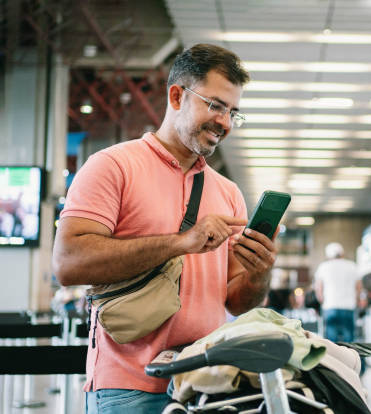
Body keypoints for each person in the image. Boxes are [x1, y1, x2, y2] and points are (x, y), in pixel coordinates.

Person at [52, 44, 279, 414]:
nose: (224, 122)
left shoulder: (228, 193)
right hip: (127, 388)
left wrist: (260, 273)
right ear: (177, 95)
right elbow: (68, 263)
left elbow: (238, 301)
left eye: (233, 113)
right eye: (216, 105)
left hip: (206, 385)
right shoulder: (112, 167)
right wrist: (180, 243)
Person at [314, 242, 361, 343]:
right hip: (348, 307)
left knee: (332, 343)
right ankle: (350, 359)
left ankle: (334, 359)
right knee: (349, 342)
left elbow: (318, 289)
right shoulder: (352, 266)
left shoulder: (323, 267)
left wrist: (322, 302)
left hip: (330, 307)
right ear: (342, 253)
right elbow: (358, 287)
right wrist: (356, 300)